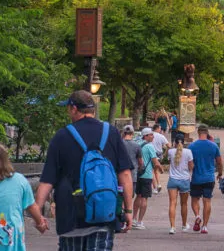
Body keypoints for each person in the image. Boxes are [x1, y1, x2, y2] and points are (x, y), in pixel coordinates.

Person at [35, 91, 134, 251]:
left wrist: (38, 214)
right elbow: (126, 174)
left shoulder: (62, 136)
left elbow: (47, 180)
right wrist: (128, 210)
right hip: (103, 213)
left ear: (74, 108)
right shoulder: (112, 133)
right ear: (92, 110)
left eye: (68, 108)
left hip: (70, 216)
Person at [188, 124, 223, 234]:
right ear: (207, 133)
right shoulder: (214, 146)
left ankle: (197, 216)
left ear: (198, 133)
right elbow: (219, 161)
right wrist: (220, 173)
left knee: (194, 199)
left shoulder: (192, 146)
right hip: (209, 177)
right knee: (207, 201)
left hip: (196, 177)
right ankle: (205, 227)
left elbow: (190, 164)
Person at [133, 128, 164, 229]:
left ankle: (133, 218)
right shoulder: (150, 146)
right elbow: (155, 162)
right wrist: (161, 169)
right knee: (144, 198)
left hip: (137, 174)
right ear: (145, 136)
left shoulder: (137, 143)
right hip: (146, 175)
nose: (153, 136)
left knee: (138, 196)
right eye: (151, 135)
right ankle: (139, 221)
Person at [166, 132, 194, 234]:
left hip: (173, 179)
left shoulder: (171, 152)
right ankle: (184, 224)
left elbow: (170, 162)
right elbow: (191, 166)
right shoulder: (188, 152)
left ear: (174, 141)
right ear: (184, 141)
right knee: (184, 204)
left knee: (172, 203)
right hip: (184, 179)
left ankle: (172, 227)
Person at [121, 126, 143, 198]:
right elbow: (140, 161)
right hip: (132, 175)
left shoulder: (119, 144)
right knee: (130, 196)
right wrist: (140, 168)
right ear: (132, 133)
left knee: (120, 196)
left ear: (123, 133)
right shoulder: (137, 145)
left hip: (120, 174)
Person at [150, 124, 170, 193]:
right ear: (157, 128)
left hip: (152, 154)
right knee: (156, 171)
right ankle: (159, 184)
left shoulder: (150, 135)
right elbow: (169, 145)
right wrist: (165, 153)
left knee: (152, 171)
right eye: (160, 128)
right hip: (159, 154)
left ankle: (155, 187)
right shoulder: (161, 136)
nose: (160, 130)